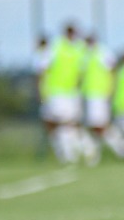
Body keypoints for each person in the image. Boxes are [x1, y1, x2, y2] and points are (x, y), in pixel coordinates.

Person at [39, 24, 86, 165]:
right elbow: (43, 69)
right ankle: (67, 154)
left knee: (69, 123)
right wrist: (42, 90)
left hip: (72, 92)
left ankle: (72, 155)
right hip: (57, 92)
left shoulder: (79, 49)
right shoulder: (55, 47)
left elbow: (81, 72)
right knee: (58, 123)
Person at [80, 33, 113, 167]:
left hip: (98, 95)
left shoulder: (102, 52)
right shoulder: (85, 54)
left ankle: (122, 149)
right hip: (88, 95)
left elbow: (112, 70)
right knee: (93, 127)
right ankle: (93, 154)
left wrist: (109, 90)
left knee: (99, 126)